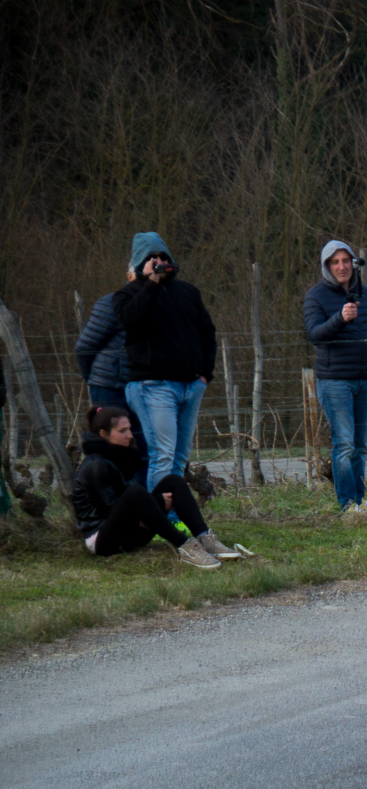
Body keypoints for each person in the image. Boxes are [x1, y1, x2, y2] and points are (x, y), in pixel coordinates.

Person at [71, 404, 238, 568]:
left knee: (173, 481)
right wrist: (156, 502)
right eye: (122, 431)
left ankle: (205, 539)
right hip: (102, 540)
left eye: (129, 429)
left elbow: (126, 504)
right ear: (103, 434)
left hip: (129, 531)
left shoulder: (118, 456)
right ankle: (185, 547)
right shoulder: (95, 466)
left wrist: (148, 509)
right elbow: (111, 510)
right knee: (135, 492)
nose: (130, 435)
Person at [114, 231, 216, 491]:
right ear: (140, 262)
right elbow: (130, 320)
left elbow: (207, 331)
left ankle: (173, 517)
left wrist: (205, 374)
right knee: (163, 456)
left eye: (162, 256)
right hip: (153, 386)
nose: (158, 261)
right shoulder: (127, 295)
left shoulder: (188, 292)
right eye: (151, 258)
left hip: (190, 386)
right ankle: (161, 520)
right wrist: (150, 284)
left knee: (179, 458)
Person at [302, 239, 367, 513]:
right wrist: (340, 318)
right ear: (327, 266)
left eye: (346, 260)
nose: (342, 266)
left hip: (366, 380)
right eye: (335, 262)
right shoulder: (316, 296)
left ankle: (360, 502)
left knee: (361, 445)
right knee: (345, 445)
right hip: (335, 381)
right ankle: (347, 505)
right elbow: (314, 335)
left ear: (353, 263)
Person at [74, 266, 145, 453]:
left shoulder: (159, 306)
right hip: (110, 387)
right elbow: (85, 346)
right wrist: (92, 377)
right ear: (129, 276)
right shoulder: (111, 303)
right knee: (111, 446)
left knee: (140, 446)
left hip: (143, 386)